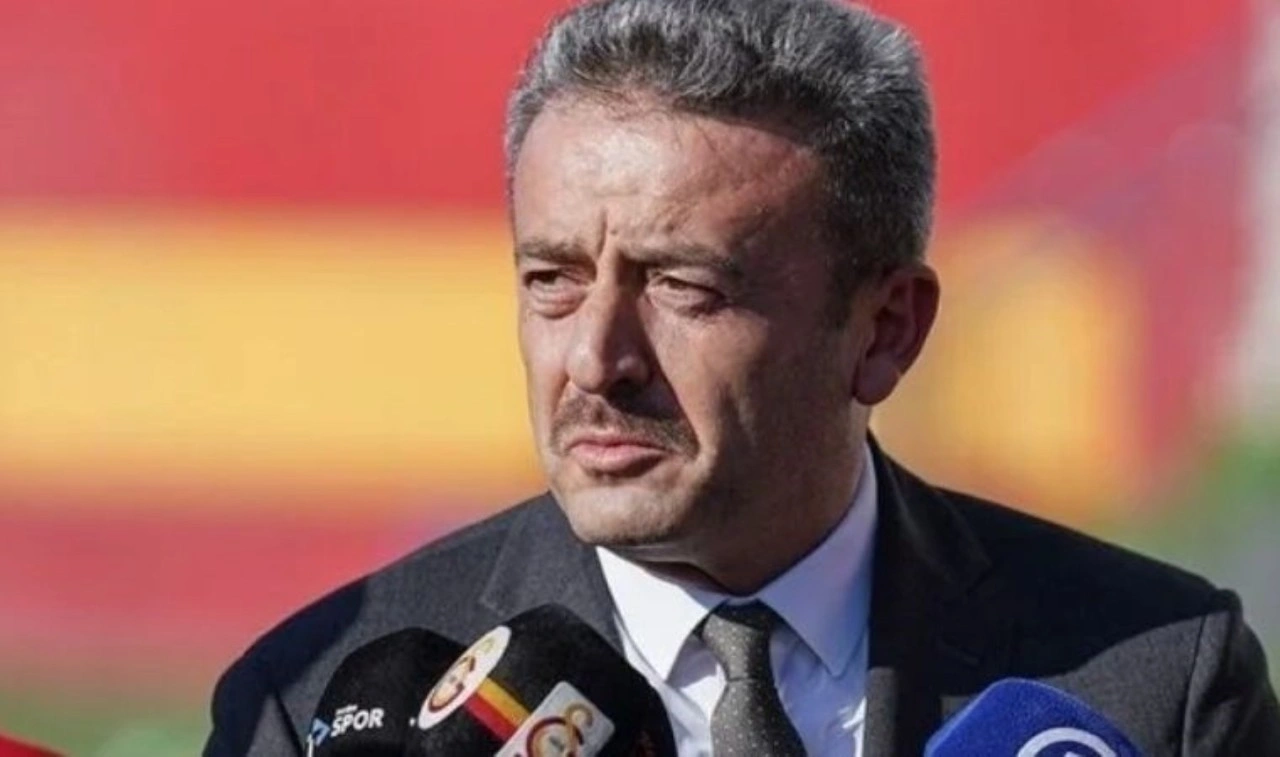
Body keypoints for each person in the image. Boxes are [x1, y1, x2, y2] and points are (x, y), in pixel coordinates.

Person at [203, 0, 1280, 754]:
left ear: (885, 330)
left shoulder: (1153, 682)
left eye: (684, 288)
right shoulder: (309, 702)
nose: (596, 359)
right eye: (552, 279)